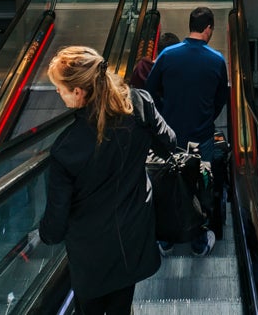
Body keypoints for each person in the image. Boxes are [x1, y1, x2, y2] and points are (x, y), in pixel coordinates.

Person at [38, 45, 176, 315]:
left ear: (78, 92)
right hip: (134, 235)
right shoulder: (140, 103)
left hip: (91, 257)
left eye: (60, 88)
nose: (57, 93)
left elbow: (54, 227)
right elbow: (168, 143)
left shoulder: (66, 148)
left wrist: (41, 235)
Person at [145, 7, 229, 255]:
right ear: (208, 28)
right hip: (201, 137)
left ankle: (165, 240)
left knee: (167, 183)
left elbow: (149, 91)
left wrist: (164, 114)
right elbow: (221, 99)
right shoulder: (216, 60)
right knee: (202, 184)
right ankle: (199, 241)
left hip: (169, 138)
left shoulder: (168, 55)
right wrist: (206, 117)